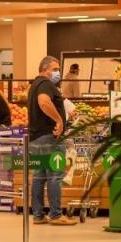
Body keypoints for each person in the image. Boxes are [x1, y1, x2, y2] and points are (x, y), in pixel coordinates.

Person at [27, 55, 76, 226]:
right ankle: (56, 214)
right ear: (45, 69)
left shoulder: (34, 85)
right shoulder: (46, 84)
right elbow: (44, 102)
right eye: (55, 69)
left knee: (39, 176)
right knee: (55, 175)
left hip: (35, 138)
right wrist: (59, 120)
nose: (58, 73)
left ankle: (38, 215)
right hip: (49, 137)